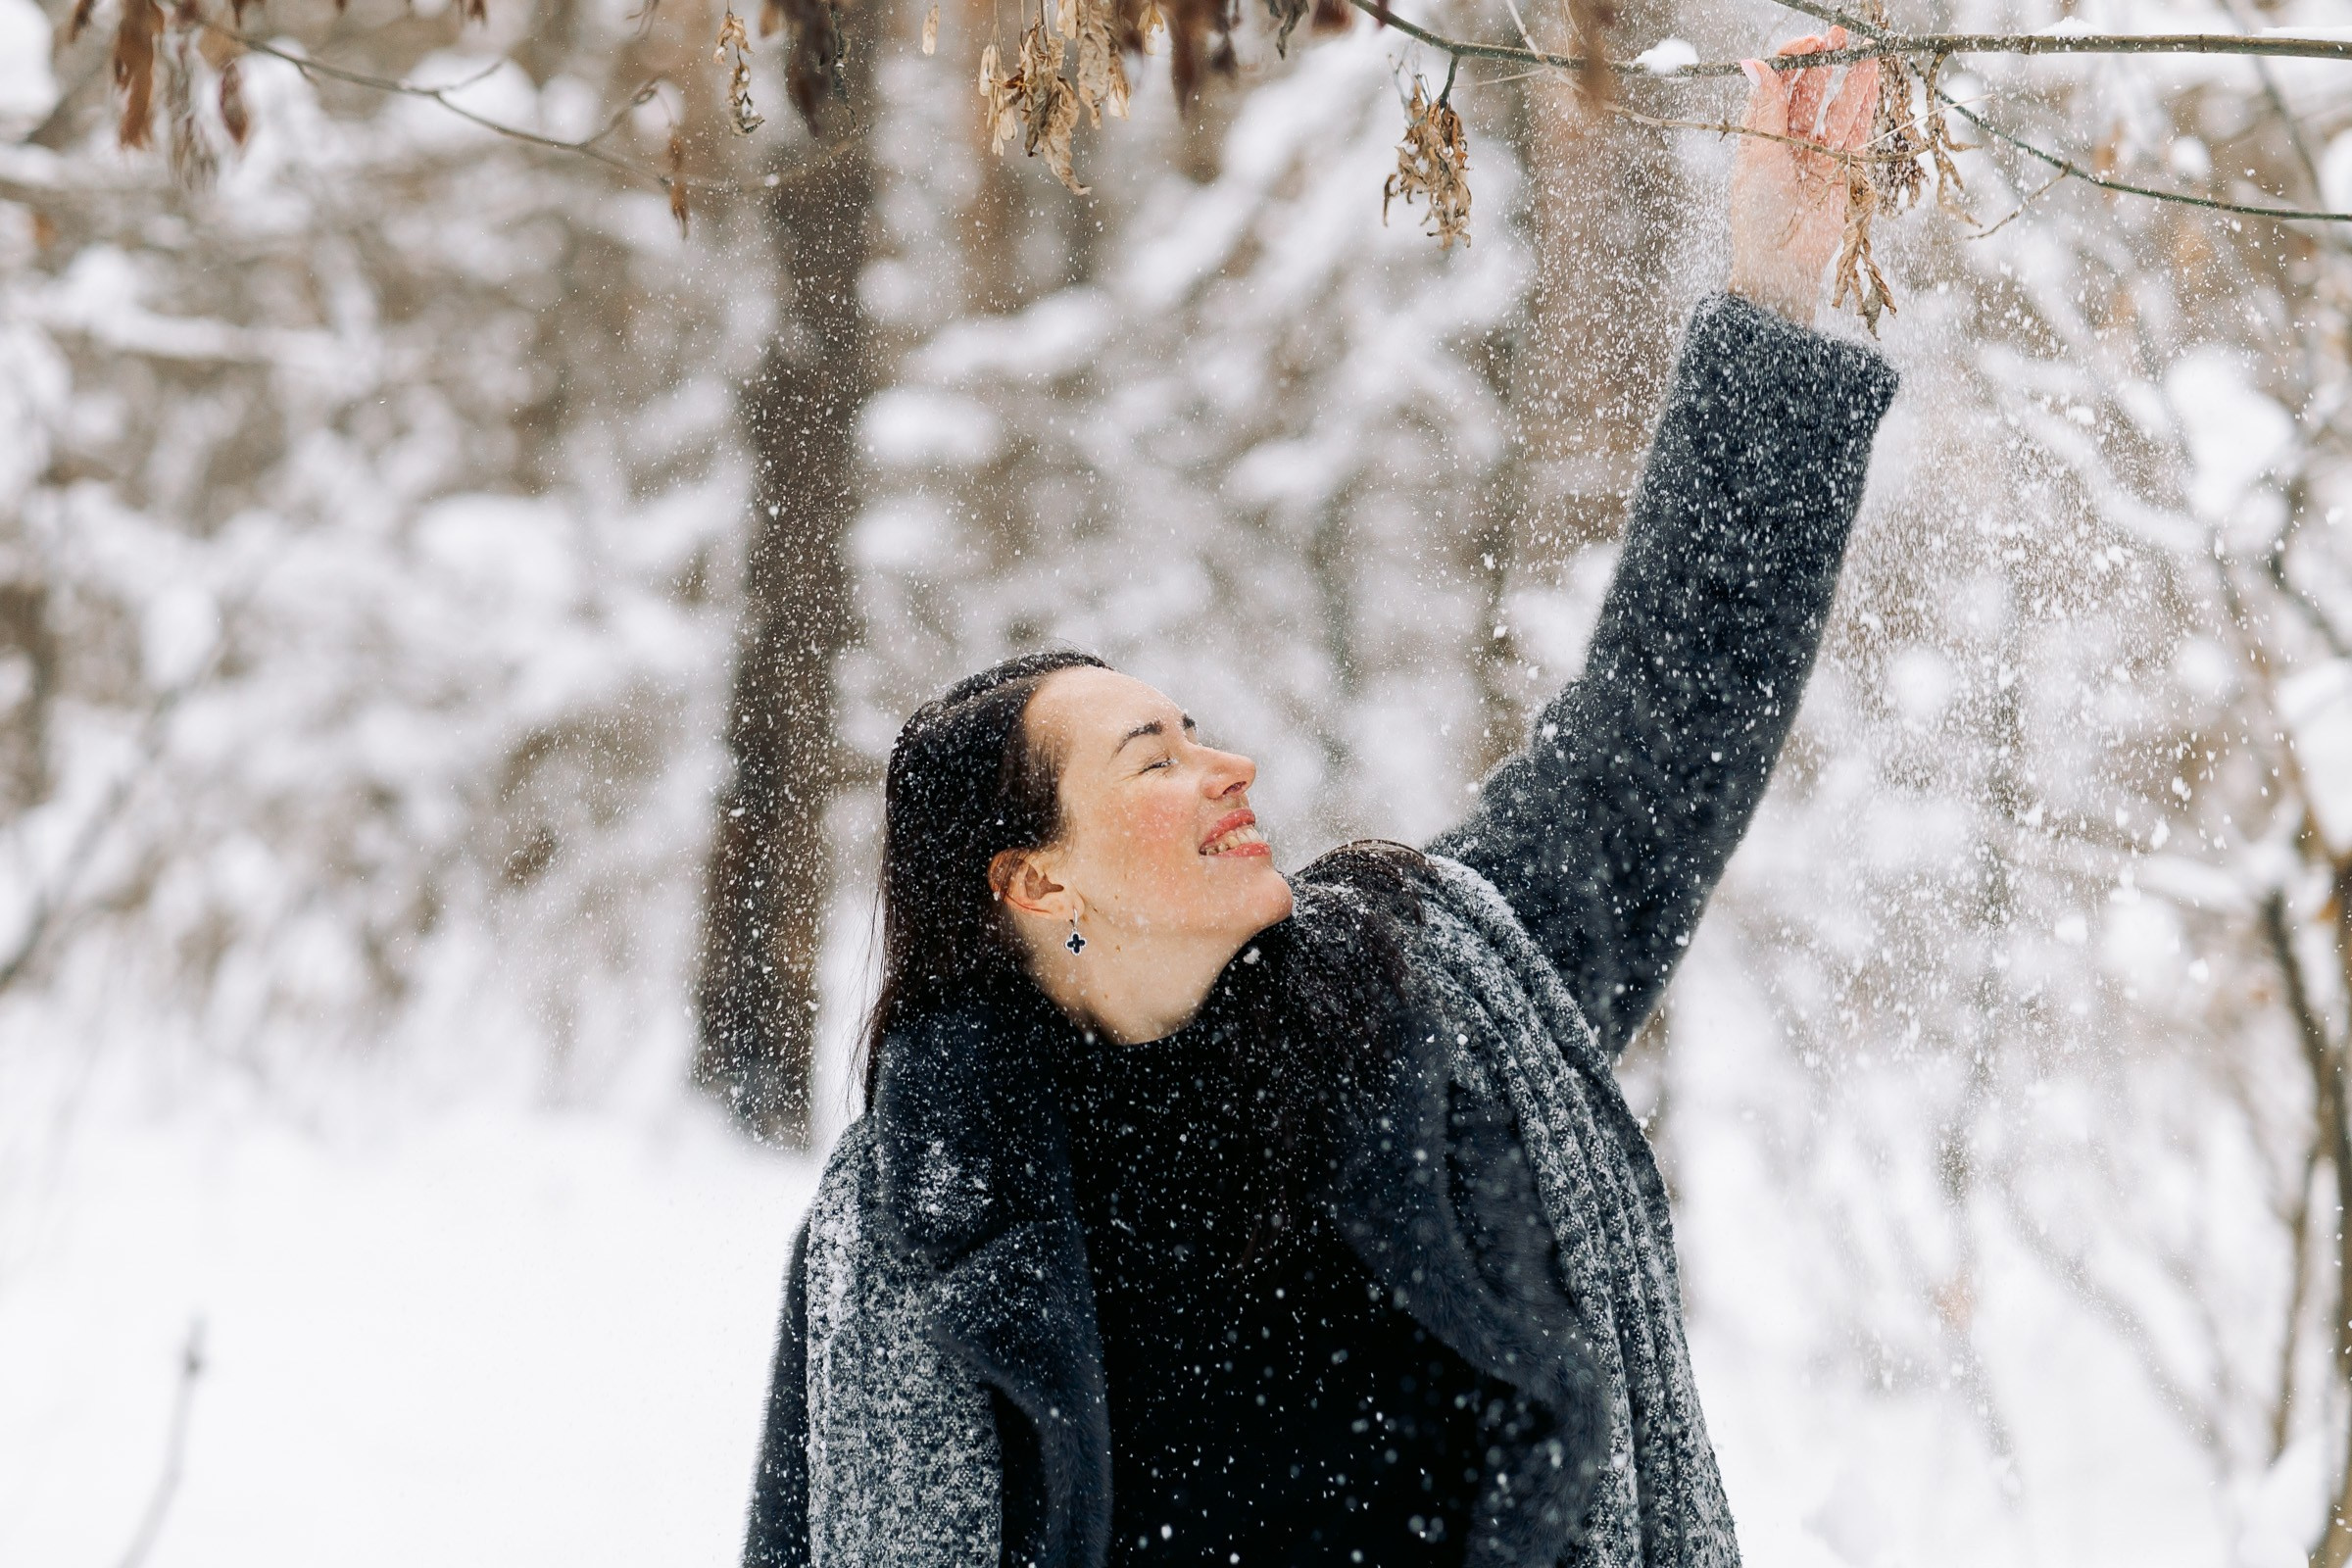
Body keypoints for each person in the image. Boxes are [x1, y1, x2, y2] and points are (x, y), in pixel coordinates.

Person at [744, 30, 1899, 1568]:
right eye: (1150, 758)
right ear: (1038, 884)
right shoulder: (916, 1231)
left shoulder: (1422, 1002)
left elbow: (1658, 727)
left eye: (1196, 729)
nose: (1227, 770)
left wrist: (1772, 296)